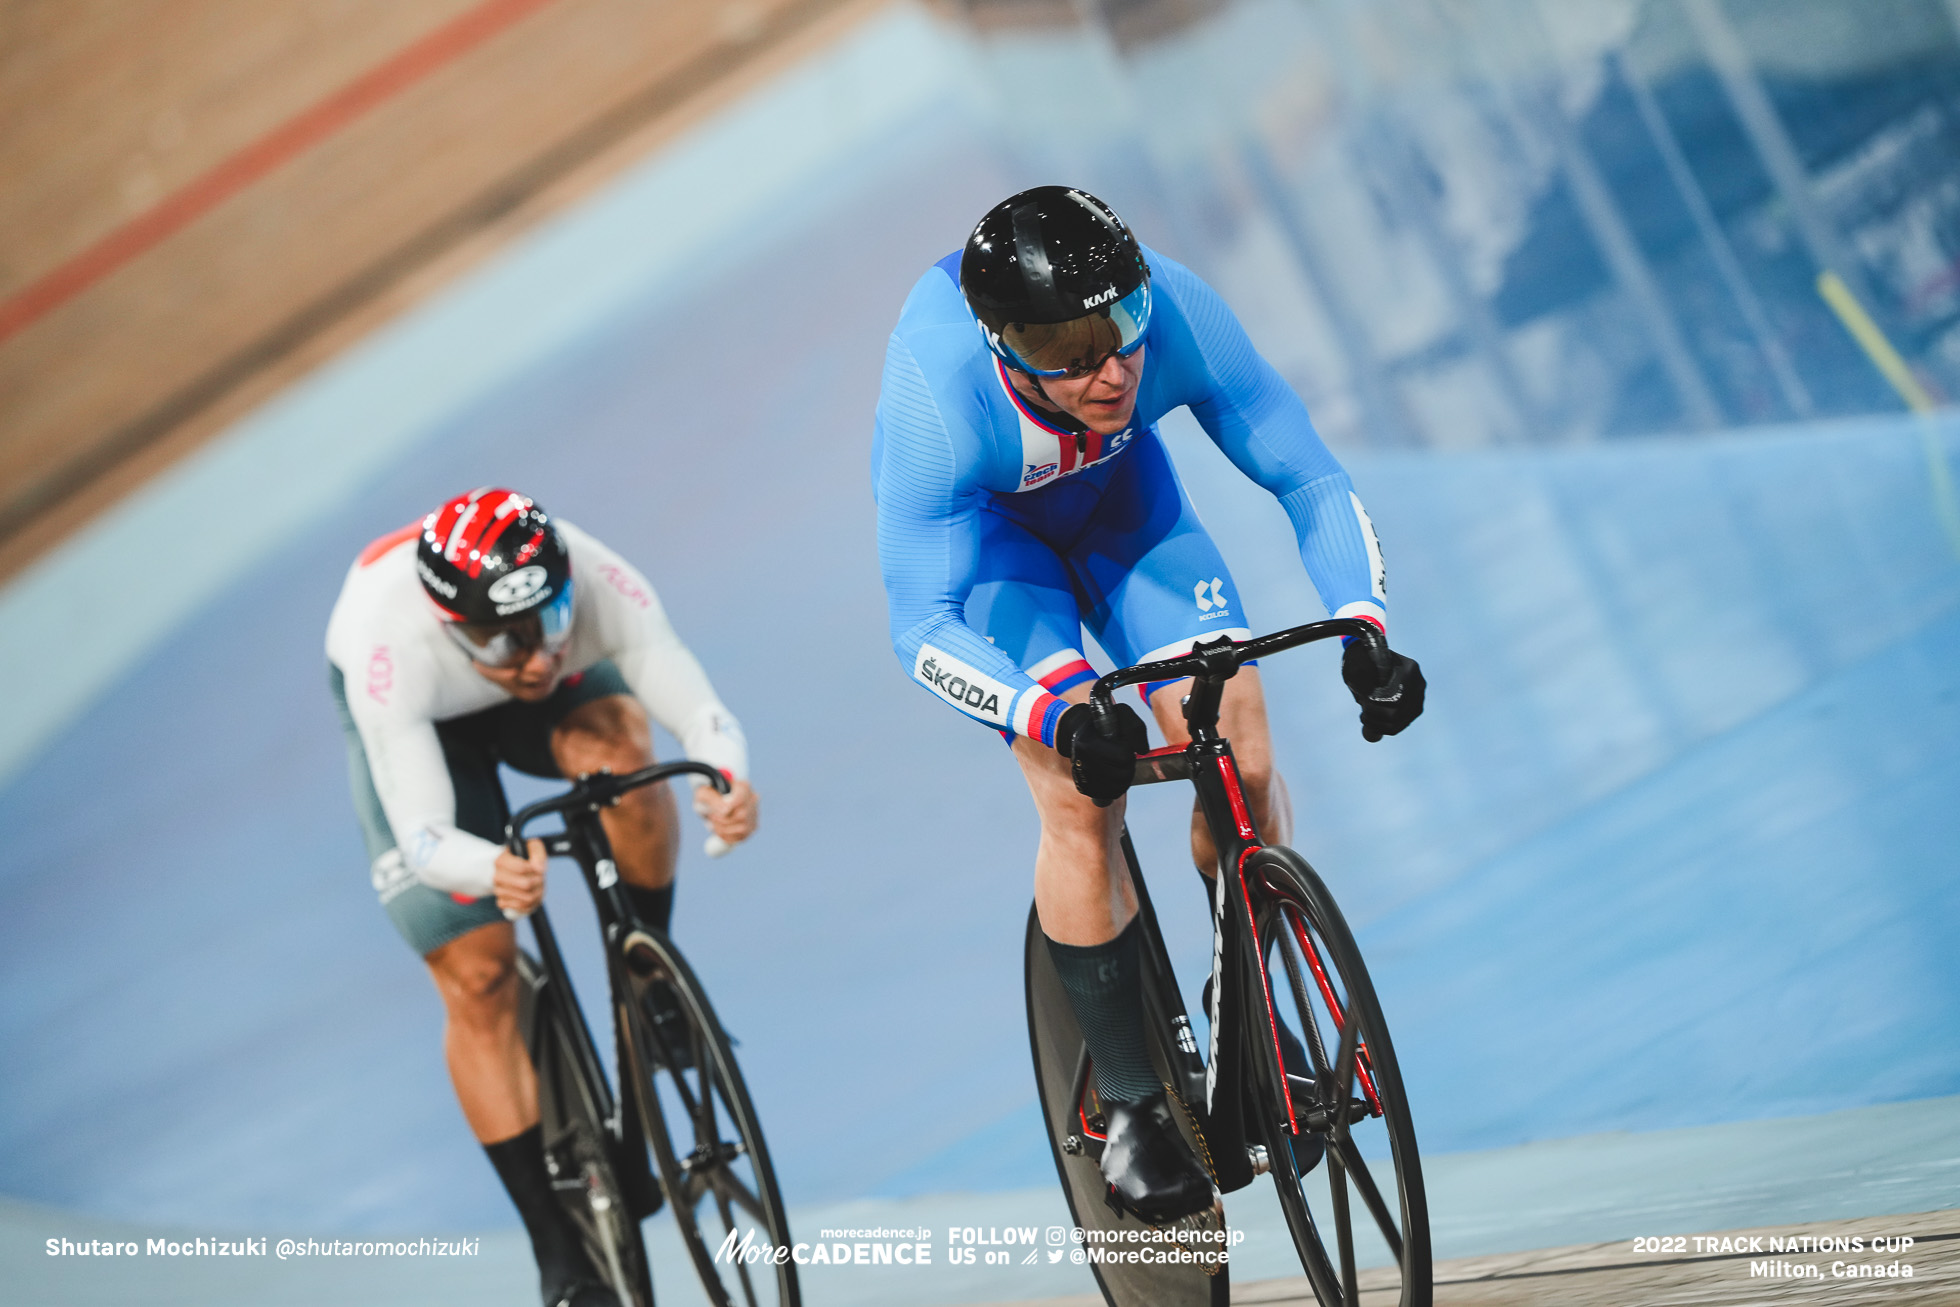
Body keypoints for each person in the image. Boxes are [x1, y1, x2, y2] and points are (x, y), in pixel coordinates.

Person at [870, 186, 1424, 1223]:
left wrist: (1363, 622)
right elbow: (921, 629)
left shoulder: (1175, 309)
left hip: (1132, 517)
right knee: (1083, 802)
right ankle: (1128, 1099)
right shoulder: (938, 405)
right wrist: (1059, 715)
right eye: (1066, 349)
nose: (1110, 366)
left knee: (1240, 754)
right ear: (1002, 343)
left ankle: (1241, 990)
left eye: (1121, 328)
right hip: (1001, 557)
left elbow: (1307, 476)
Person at [326, 487, 759, 1307]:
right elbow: (424, 837)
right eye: (500, 639)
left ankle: (649, 978)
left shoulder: (593, 574)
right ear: (452, 623)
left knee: (624, 755)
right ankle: (556, 1250)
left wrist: (731, 781)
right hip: (422, 732)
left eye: (550, 623)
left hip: (519, 695)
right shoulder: (392, 648)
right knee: (479, 973)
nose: (532, 658)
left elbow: (700, 716)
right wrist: (488, 870)